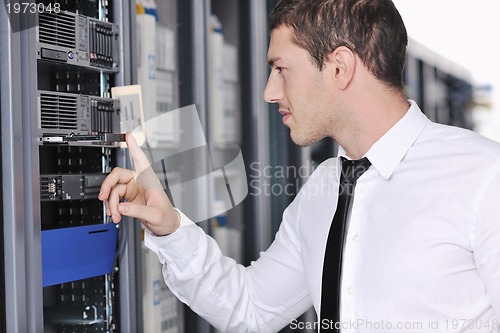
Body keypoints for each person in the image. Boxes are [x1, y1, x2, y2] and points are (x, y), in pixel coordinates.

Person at [99, 0, 500, 332]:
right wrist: (170, 228)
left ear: (339, 67)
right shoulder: (323, 189)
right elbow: (251, 309)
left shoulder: (483, 177)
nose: (269, 92)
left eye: (280, 68)